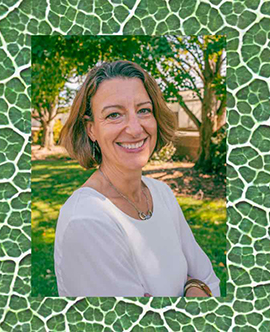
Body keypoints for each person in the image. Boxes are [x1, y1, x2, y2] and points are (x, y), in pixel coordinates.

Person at [54, 60, 221, 297]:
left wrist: (193, 285)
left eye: (144, 110)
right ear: (91, 129)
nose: (134, 128)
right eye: (114, 115)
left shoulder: (161, 193)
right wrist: (190, 287)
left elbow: (207, 279)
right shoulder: (86, 220)